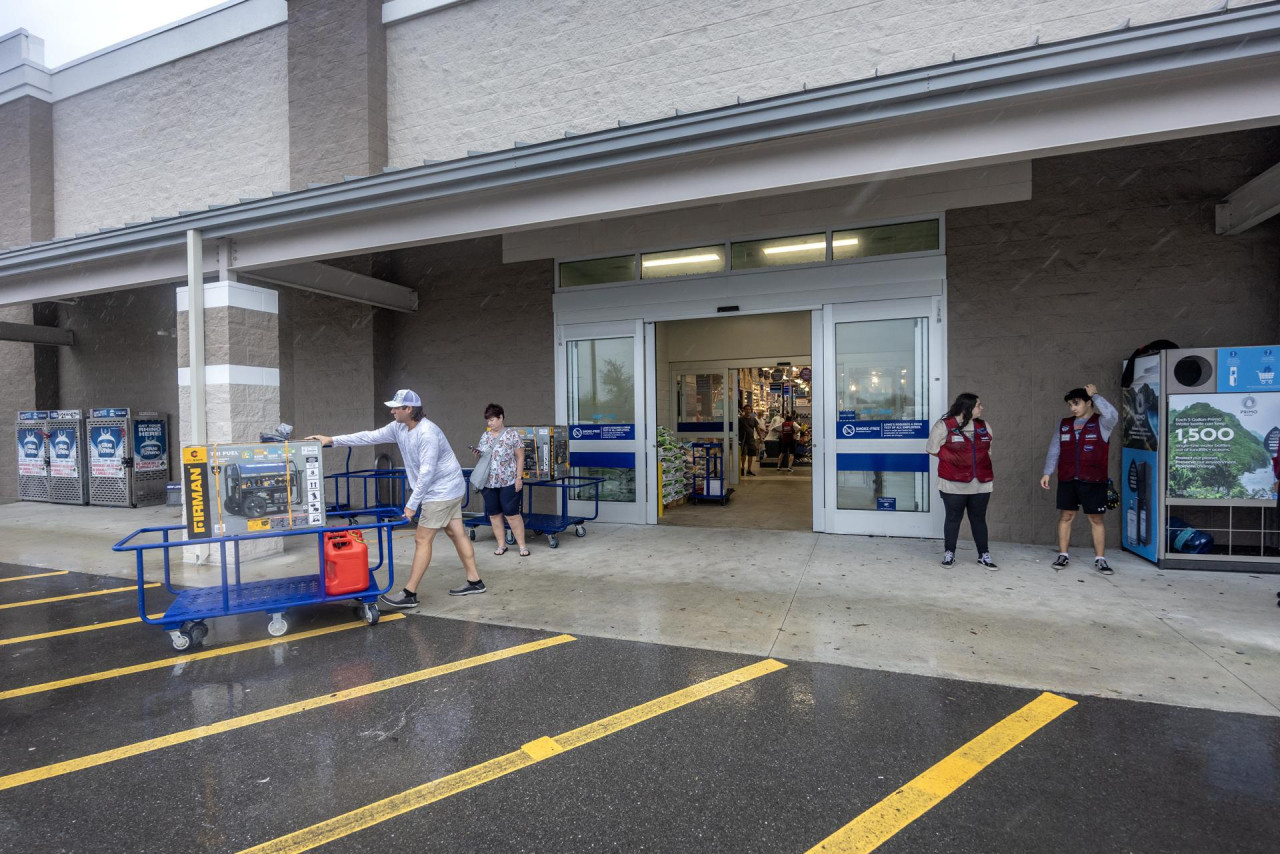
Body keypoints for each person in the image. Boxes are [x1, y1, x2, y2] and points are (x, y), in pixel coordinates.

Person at [305, 388, 486, 609]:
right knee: (456, 533)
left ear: (408, 409)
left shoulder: (427, 433)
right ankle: (475, 581)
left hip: (441, 491)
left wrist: (411, 506)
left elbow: (427, 474)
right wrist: (331, 440)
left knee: (422, 540)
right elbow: (369, 436)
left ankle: (409, 593)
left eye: (396, 408)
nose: (392, 412)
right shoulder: (399, 427)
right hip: (448, 488)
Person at [1040, 383, 1119, 574]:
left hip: (1093, 479)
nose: (1072, 408)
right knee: (1066, 516)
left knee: (1096, 519)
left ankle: (1100, 559)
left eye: (1076, 403)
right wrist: (1047, 472)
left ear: (1088, 403)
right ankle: (1063, 555)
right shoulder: (1064, 424)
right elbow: (1054, 449)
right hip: (1068, 478)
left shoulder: (1102, 423)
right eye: (1070, 405)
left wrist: (1097, 396)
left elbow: (1113, 415)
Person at [926, 392, 996, 569]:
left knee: (979, 519)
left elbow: (988, 450)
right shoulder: (944, 425)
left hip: (981, 483)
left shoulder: (983, 425)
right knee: (953, 519)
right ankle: (949, 553)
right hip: (953, 483)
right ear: (968, 408)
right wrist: (954, 460)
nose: (982, 408)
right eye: (979, 405)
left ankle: (984, 555)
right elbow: (932, 448)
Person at [473, 403, 529, 556]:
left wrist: (519, 478)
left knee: (511, 514)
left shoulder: (512, 435)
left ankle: (522, 546)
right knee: (494, 514)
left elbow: (520, 456)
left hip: (509, 480)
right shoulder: (485, 435)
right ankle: (501, 545)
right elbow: (483, 455)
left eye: (492, 420)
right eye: (488, 421)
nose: (489, 423)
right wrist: (478, 453)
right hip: (488, 481)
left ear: (501, 418)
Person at [738, 405, 760, 477]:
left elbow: (757, 428)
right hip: (742, 439)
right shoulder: (740, 419)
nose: (748, 411)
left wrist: (760, 436)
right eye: (746, 409)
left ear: (751, 410)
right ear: (744, 410)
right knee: (743, 454)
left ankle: (749, 470)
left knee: (751, 454)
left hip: (751, 439)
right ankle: (742, 467)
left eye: (749, 409)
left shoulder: (753, 419)